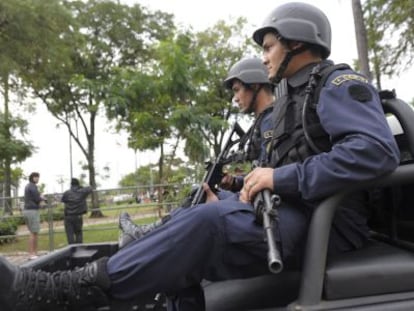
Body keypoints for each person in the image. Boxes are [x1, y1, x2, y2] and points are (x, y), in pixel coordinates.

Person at [0, 3, 401, 311]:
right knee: (195, 213)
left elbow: (375, 151)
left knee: (206, 224)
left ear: (296, 41)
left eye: (269, 46)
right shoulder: (290, 99)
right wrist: (246, 188)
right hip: (296, 211)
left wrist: (280, 179)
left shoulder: (337, 83)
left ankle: (68, 292)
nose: (264, 58)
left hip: (329, 224)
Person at [118, 56, 276, 247]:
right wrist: (235, 182)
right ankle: (150, 232)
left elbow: (271, 177)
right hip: (254, 200)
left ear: (255, 85)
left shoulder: (271, 121)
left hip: (262, 210)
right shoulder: (262, 121)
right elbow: (261, 172)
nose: (235, 98)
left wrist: (222, 205)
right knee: (197, 192)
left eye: (237, 90)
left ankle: (151, 237)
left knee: (201, 205)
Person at [61, 178, 93, 244]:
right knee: (78, 233)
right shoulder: (82, 192)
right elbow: (90, 188)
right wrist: (81, 187)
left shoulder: (66, 193)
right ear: (78, 184)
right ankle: (79, 248)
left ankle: (72, 249)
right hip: (78, 216)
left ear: (71, 184)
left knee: (70, 234)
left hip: (68, 216)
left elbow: (63, 200)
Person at [22, 172, 45, 260]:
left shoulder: (28, 186)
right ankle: (32, 254)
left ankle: (34, 253)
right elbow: (37, 198)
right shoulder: (32, 186)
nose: (37, 179)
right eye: (36, 177)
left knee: (33, 232)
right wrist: (42, 197)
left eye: (38, 177)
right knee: (33, 232)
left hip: (28, 210)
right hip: (32, 211)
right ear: (32, 178)